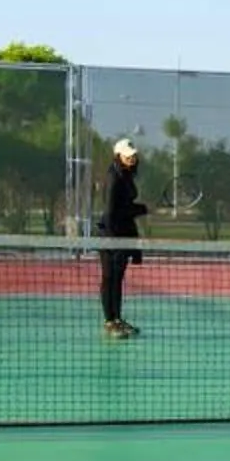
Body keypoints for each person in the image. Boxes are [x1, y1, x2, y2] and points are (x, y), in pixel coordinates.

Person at [98, 135, 147, 339]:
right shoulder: (113, 177)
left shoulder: (126, 175)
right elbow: (111, 212)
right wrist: (113, 242)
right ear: (118, 156)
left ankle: (117, 319)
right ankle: (109, 321)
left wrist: (139, 209)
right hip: (111, 235)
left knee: (117, 279)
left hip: (123, 235)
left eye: (133, 156)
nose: (132, 159)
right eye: (128, 156)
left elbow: (124, 209)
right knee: (109, 278)